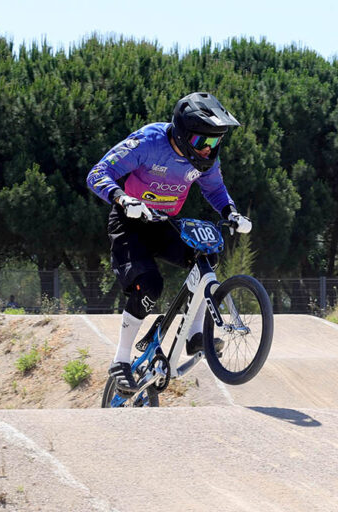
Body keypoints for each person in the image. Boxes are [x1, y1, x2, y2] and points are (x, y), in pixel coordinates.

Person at [86, 92, 252, 395]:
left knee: (207, 256)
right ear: (182, 133)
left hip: (164, 223)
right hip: (129, 221)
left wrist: (232, 213)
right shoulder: (148, 142)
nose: (208, 149)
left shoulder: (203, 160)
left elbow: (215, 190)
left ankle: (195, 334)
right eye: (203, 141)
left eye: (215, 142)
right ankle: (120, 361)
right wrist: (122, 198)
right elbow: (98, 173)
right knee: (150, 287)